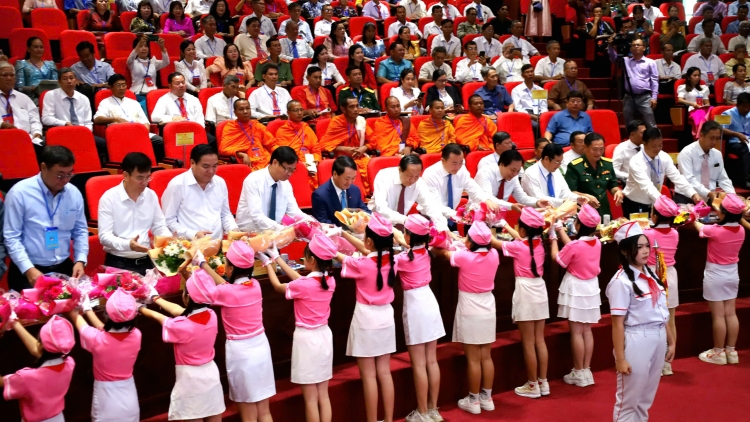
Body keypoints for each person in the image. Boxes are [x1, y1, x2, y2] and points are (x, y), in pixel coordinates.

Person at [261, 235, 338, 422]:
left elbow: (279, 287)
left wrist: (268, 264)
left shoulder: (304, 285)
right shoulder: (329, 281)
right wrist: (277, 258)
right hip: (324, 338)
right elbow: (300, 281)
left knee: (311, 399)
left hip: (307, 342)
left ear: (311, 260)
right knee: (323, 395)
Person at [331, 214, 397, 422]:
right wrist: (343, 233)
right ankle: (388, 419)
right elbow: (369, 251)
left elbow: (340, 256)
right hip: (386, 317)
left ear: (369, 240)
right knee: (385, 373)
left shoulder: (362, 264)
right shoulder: (393, 260)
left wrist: (327, 241)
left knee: (369, 376)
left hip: (366, 319)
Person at [606, 221, 673, 422]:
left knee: (645, 398)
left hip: (658, 336)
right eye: (640, 247)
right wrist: (620, 358)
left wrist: (670, 340)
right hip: (637, 338)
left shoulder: (650, 274)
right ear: (626, 250)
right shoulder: (621, 281)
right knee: (629, 399)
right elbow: (617, 323)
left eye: (647, 246)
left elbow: (661, 311)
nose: (646, 251)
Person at [430, 222, 499, 414]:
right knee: (486, 355)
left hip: (470, 308)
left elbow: (441, 253)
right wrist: (463, 242)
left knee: (473, 359)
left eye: (467, 237)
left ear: (472, 242)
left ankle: (474, 400)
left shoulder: (464, 257)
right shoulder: (494, 254)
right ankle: (487, 397)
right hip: (488, 307)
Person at [139, 270, 225, 422]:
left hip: (190, 380)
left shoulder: (182, 326)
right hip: (211, 376)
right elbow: (180, 311)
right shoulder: (211, 315)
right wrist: (155, 297)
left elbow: (161, 318)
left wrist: (140, 308)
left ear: (188, 296)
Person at [4, 145, 88, 291]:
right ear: (43, 167)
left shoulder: (73, 193)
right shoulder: (20, 193)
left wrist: (80, 259)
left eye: (69, 174)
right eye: (60, 175)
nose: (65, 180)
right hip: (29, 269)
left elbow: (80, 230)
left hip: (64, 267)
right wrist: (28, 269)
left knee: (69, 311)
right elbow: (11, 237)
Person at [490, 208, 550, 398]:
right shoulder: (540, 243)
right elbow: (522, 238)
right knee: (539, 340)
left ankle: (532, 385)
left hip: (525, 292)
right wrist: (505, 225)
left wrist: (490, 224)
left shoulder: (519, 246)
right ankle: (543, 382)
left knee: (528, 342)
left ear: (523, 229)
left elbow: (494, 242)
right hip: (540, 290)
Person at [66, 289, 141, 421]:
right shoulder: (136, 335)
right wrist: (88, 309)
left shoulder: (96, 339)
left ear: (107, 315)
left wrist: (69, 304)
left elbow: (76, 317)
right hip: (130, 398)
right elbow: (106, 331)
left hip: (106, 400)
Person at [548, 204, 602, 387]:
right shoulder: (596, 242)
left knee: (576, 331)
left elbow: (559, 258)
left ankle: (578, 372)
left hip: (577, 288)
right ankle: (586, 371)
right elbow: (573, 246)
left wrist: (553, 238)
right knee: (587, 330)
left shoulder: (576, 245)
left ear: (578, 225)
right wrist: (561, 229)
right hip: (591, 287)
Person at [692, 194, 747, 367]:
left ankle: (717, 352)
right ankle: (731, 350)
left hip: (715, 275)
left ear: (724, 213)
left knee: (718, 316)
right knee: (730, 313)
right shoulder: (742, 230)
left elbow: (698, 226)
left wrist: (692, 216)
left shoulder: (715, 230)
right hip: (732, 274)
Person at [97, 152, 170, 274]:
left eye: (148, 177)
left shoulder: (150, 195)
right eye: (140, 177)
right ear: (126, 175)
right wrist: (128, 245)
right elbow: (104, 237)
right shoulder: (109, 198)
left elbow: (159, 225)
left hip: (146, 260)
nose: (145, 182)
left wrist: (168, 239)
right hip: (118, 262)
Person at [0, 316, 76, 422]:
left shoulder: (26, 378)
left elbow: (1, 382)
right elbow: (39, 351)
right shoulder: (70, 364)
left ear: (40, 346)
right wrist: (14, 323)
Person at [162, 144, 241, 240]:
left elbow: (225, 214)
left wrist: (233, 229)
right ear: (192, 163)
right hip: (189, 244)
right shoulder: (177, 185)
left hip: (216, 244)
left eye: (215, 166)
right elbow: (169, 220)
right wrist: (193, 234)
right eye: (206, 166)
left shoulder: (220, 182)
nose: (211, 171)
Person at [643, 195, 681, 376]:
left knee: (652, 320)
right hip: (670, 276)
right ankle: (667, 362)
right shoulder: (675, 233)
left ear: (655, 216)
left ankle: (654, 361)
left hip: (653, 276)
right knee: (669, 320)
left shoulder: (648, 234)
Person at [621, 127, 700, 216]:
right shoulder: (636, 161)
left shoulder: (664, 157)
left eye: (660, 145)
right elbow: (647, 186)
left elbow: (677, 177)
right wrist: (664, 203)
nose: (658, 149)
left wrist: (693, 193)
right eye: (654, 146)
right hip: (636, 203)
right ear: (644, 143)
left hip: (656, 202)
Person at [42, 69, 108, 165]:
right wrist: (64, 123)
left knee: (105, 144)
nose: (69, 81)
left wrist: (85, 133)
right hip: (62, 133)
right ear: (59, 82)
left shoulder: (83, 98)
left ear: (76, 80)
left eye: (71, 78)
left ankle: (99, 168)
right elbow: (46, 118)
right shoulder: (51, 95)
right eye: (65, 79)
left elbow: (88, 122)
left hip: (82, 133)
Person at [421, 144, 499, 225]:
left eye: (461, 162)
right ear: (443, 161)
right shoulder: (430, 175)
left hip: (452, 216)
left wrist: (486, 200)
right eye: (454, 163)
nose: (458, 167)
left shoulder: (461, 169)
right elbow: (435, 206)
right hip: (431, 217)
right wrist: (458, 216)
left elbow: (473, 188)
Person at [367, 154, 449, 231]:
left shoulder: (419, 183)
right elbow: (381, 208)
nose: (413, 180)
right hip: (376, 223)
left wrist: (443, 228)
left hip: (401, 226)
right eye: (410, 176)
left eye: (417, 176)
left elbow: (430, 206)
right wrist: (407, 220)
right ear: (400, 170)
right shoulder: (384, 176)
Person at [94, 74, 164, 162]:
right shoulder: (105, 102)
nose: (121, 88)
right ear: (110, 87)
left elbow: (145, 122)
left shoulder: (134, 103)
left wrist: (142, 133)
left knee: (162, 142)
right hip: (120, 135)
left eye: (123, 85)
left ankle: (157, 165)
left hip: (140, 134)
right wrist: (115, 119)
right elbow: (97, 119)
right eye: (118, 85)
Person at [236, 146, 306, 232]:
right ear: (275, 162)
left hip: (275, 231)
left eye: (293, 170)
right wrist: (282, 229)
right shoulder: (253, 180)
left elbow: (294, 211)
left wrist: (315, 224)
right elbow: (257, 216)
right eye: (288, 169)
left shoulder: (285, 184)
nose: (290, 174)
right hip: (251, 233)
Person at [319, 96, 376, 191]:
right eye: (351, 107)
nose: (355, 109)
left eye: (357, 106)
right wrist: (344, 149)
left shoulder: (361, 121)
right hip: (342, 159)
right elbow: (324, 145)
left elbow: (373, 141)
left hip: (359, 156)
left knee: (371, 167)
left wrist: (363, 148)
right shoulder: (337, 122)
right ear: (343, 109)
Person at [565, 132, 624, 217]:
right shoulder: (575, 166)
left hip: (604, 210)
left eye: (601, 149)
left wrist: (617, 191)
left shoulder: (607, 164)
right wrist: (585, 196)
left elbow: (612, 185)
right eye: (595, 149)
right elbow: (569, 192)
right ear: (585, 147)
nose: (599, 153)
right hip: (584, 211)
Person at [676, 121, 735, 204]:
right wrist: (708, 193)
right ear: (701, 135)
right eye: (711, 138)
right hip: (687, 197)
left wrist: (732, 195)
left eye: (717, 138)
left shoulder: (717, 154)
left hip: (710, 197)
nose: (714, 142)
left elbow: (723, 179)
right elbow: (689, 179)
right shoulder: (687, 153)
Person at [475, 149, 548, 210]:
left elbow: (522, 197)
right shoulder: (485, 173)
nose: (515, 174)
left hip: (498, 218)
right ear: (502, 164)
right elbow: (488, 199)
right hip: (477, 216)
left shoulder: (514, 176)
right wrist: (511, 206)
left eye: (518, 171)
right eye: (513, 170)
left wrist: (537, 202)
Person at [611, 38, 658, 129]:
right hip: (629, 97)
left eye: (638, 45)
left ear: (644, 48)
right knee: (629, 124)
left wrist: (654, 97)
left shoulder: (650, 62)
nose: (636, 47)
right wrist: (611, 46)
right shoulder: (625, 61)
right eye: (633, 45)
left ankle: (654, 142)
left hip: (644, 97)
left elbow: (654, 80)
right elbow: (613, 58)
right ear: (630, 49)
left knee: (650, 123)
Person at [274, 100, 322, 189]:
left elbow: (316, 147)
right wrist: (300, 164)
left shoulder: (306, 128)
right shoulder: (282, 131)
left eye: (301, 110)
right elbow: (285, 155)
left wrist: (316, 159)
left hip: (311, 164)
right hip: (293, 166)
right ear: (288, 113)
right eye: (296, 110)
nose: (300, 113)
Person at [522, 143, 586, 207]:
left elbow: (564, 192)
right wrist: (562, 202)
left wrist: (577, 198)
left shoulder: (555, 170)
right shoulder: (530, 174)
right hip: (538, 213)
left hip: (558, 212)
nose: (559, 166)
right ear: (546, 159)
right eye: (557, 162)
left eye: (561, 162)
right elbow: (539, 199)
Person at [219, 98, 276, 169]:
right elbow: (223, 149)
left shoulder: (257, 125)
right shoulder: (231, 127)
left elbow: (272, 144)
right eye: (241, 109)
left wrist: (281, 153)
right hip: (246, 164)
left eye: (248, 108)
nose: (245, 111)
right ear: (235, 112)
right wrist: (242, 155)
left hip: (264, 160)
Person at [312, 156, 368, 225]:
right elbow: (324, 223)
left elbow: (365, 211)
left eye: (353, 178)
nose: (350, 182)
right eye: (347, 179)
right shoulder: (320, 195)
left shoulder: (355, 190)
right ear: (335, 174)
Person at [0, 61, 42, 149]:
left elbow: (34, 120)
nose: (9, 78)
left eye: (12, 75)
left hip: (27, 140)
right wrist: (2, 124)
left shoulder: (24, 98)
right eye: (4, 75)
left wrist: (36, 133)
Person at [127, 35, 169, 112]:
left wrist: (162, 47)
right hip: (139, 93)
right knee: (146, 106)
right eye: (140, 46)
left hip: (153, 92)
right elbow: (130, 58)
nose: (144, 49)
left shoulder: (153, 62)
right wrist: (139, 43)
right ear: (135, 48)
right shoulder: (133, 63)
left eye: (146, 46)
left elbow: (166, 62)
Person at [719, 92, 750, 188]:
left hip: (748, 140)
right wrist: (736, 134)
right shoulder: (727, 114)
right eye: (744, 106)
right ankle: (747, 179)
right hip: (733, 142)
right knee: (745, 149)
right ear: (737, 105)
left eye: (749, 107)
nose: (746, 109)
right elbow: (719, 129)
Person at [512, 64, 547, 136]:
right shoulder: (517, 90)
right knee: (536, 125)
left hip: (539, 113)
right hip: (525, 114)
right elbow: (518, 108)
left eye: (532, 71)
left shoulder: (539, 89)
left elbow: (543, 106)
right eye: (527, 72)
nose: (530, 74)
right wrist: (531, 116)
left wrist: (543, 116)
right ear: (522, 75)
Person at [677, 67, 713, 140]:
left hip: (702, 109)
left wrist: (706, 106)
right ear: (689, 77)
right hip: (691, 109)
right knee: (700, 114)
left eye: (698, 75)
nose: (697, 77)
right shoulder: (683, 87)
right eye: (695, 75)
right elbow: (680, 100)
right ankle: (699, 136)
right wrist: (692, 104)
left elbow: (706, 102)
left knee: (711, 110)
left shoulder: (703, 88)